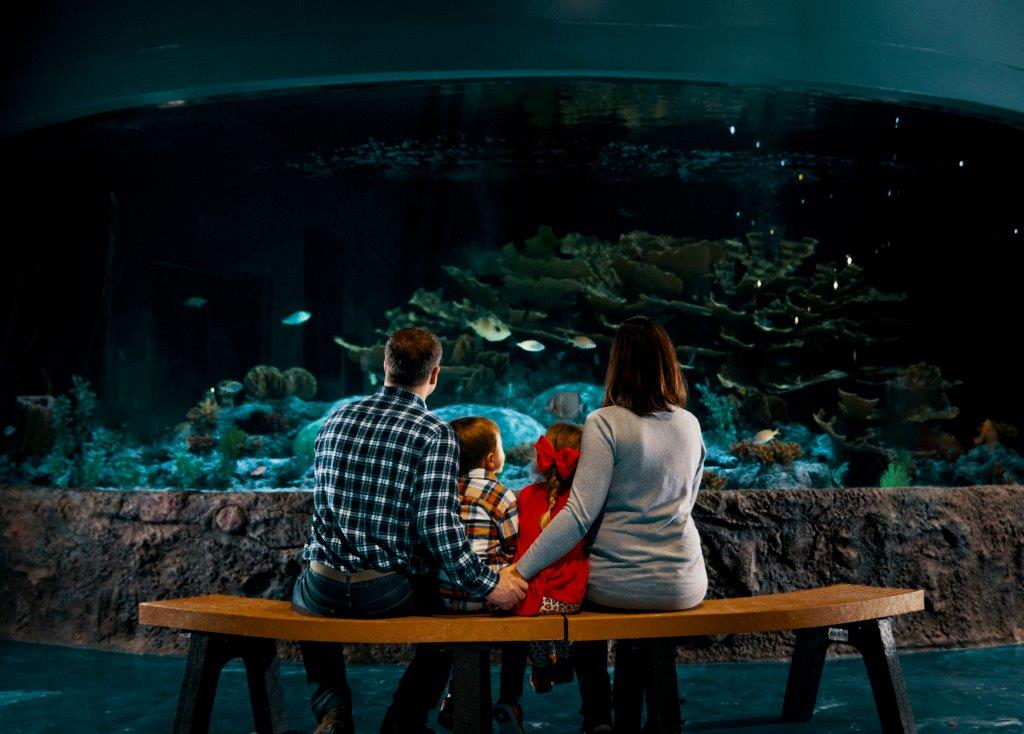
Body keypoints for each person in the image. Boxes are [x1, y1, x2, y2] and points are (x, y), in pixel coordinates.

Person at [293, 328, 528, 734]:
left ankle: (332, 707)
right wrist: (489, 584)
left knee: (303, 587)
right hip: (386, 591)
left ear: (385, 366)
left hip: (323, 587)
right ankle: (405, 720)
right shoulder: (434, 433)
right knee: (447, 609)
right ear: (434, 374)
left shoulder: (335, 420)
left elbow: (323, 510)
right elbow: (438, 527)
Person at [512, 317, 708, 734]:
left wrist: (519, 571)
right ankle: (657, 715)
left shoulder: (604, 422)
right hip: (684, 585)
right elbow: (686, 503)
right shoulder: (690, 423)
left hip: (619, 585)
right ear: (668, 364)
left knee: (582, 591)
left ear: (618, 364)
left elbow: (578, 515)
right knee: (641, 637)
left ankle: (599, 716)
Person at [436, 416, 527, 734]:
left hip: (446, 600)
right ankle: (509, 699)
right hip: (491, 601)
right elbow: (514, 545)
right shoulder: (501, 495)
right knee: (519, 629)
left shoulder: (443, 491)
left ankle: (454, 696)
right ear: (491, 459)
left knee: (460, 644)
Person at [512, 423, 589, 693]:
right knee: (562, 612)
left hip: (529, 598)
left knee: (534, 617)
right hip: (569, 597)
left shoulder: (526, 495)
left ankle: (541, 666)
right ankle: (563, 661)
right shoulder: (581, 503)